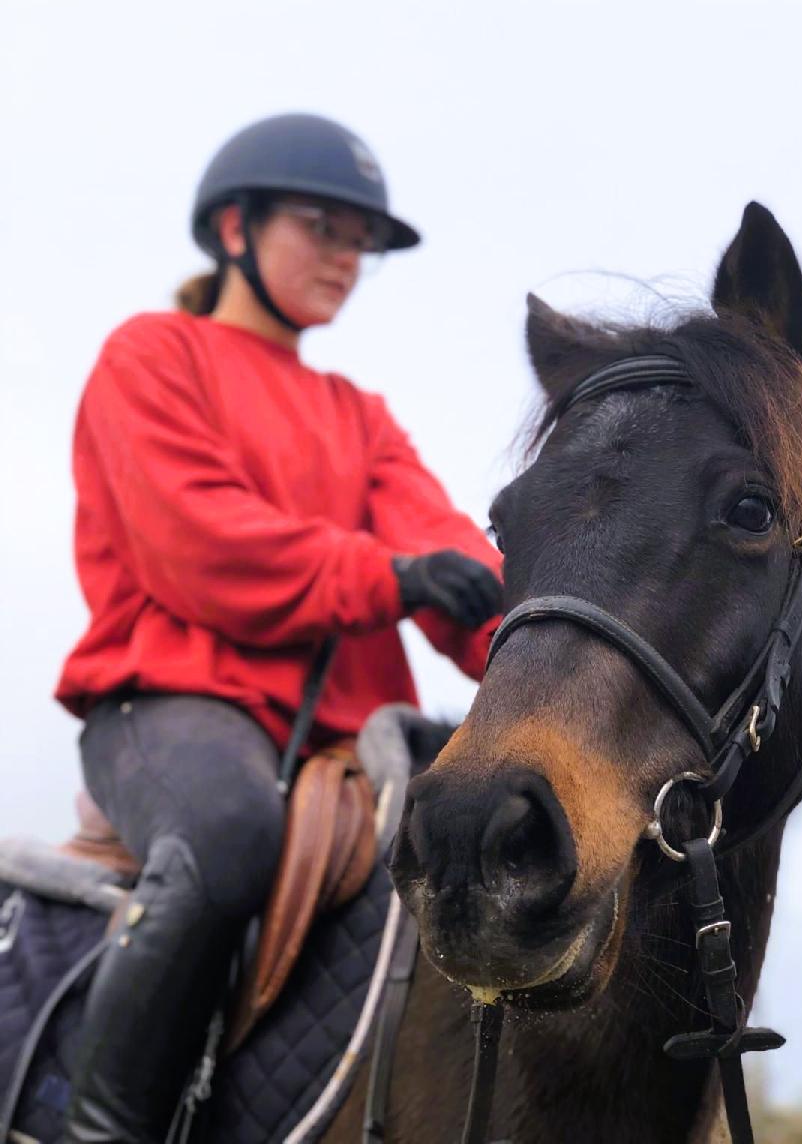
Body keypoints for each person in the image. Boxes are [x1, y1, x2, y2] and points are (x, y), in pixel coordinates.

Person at [54, 113, 503, 1143]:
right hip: (166, 703)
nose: (348, 260)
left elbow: (443, 550)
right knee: (227, 837)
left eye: (362, 244)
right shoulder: (150, 355)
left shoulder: (359, 413)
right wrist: (386, 575)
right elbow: (198, 542)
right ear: (233, 229)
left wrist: (545, 646)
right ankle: (102, 1130)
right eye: (324, 228)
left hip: (343, 738)